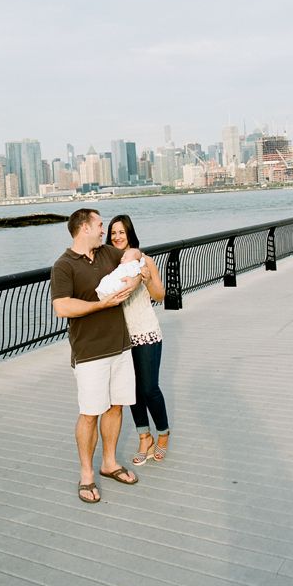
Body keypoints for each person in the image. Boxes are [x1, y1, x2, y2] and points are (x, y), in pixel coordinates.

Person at [50, 208, 141, 504]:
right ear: (84, 228)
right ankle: (87, 474)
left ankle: (109, 463)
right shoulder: (63, 265)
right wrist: (101, 306)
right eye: (100, 225)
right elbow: (62, 307)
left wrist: (133, 281)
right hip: (89, 353)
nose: (104, 230)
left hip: (120, 346)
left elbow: (136, 258)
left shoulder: (106, 254)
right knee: (90, 414)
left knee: (116, 407)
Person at [106, 214, 171, 467]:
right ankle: (145, 437)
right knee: (131, 392)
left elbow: (159, 295)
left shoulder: (145, 261)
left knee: (149, 388)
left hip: (146, 332)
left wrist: (145, 278)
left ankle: (163, 433)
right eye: (113, 233)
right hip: (122, 337)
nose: (117, 237)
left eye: (121, 232)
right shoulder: (110, 264)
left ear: (130, 234)